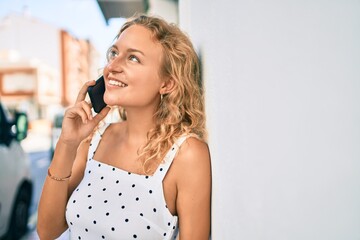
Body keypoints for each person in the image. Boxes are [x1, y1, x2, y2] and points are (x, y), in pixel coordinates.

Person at [37, 14, 211, 240]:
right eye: (114, 53)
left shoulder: (187, 155)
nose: (112, 67)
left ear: (167, 83)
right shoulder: (95, 139)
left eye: (133, 58)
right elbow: (47, 231)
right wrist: (67, 143)